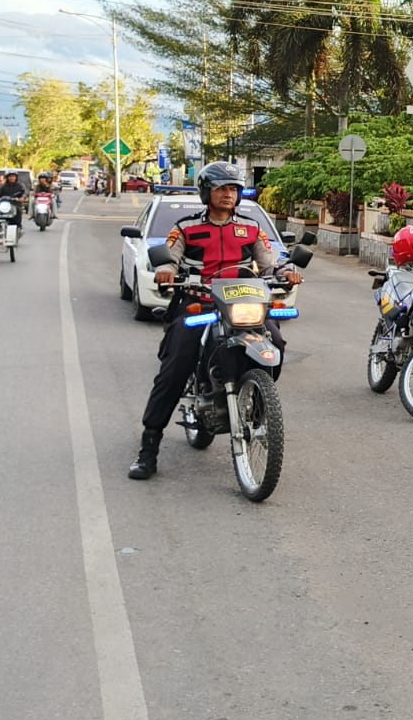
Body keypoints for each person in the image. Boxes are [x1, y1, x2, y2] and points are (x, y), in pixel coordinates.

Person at [128, 161, 301, 480]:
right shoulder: (186, 227)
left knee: (275, 341)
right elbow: (170, 254)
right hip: (200, 303)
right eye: (222, 188)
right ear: (207, 192)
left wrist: (285, 273)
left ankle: (258, 402)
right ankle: (149, 446)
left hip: (241, 305)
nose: (228, 195)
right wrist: (167, 271)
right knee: (175, 367)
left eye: (233, 189)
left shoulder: (251, 228)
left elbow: (268, 262)